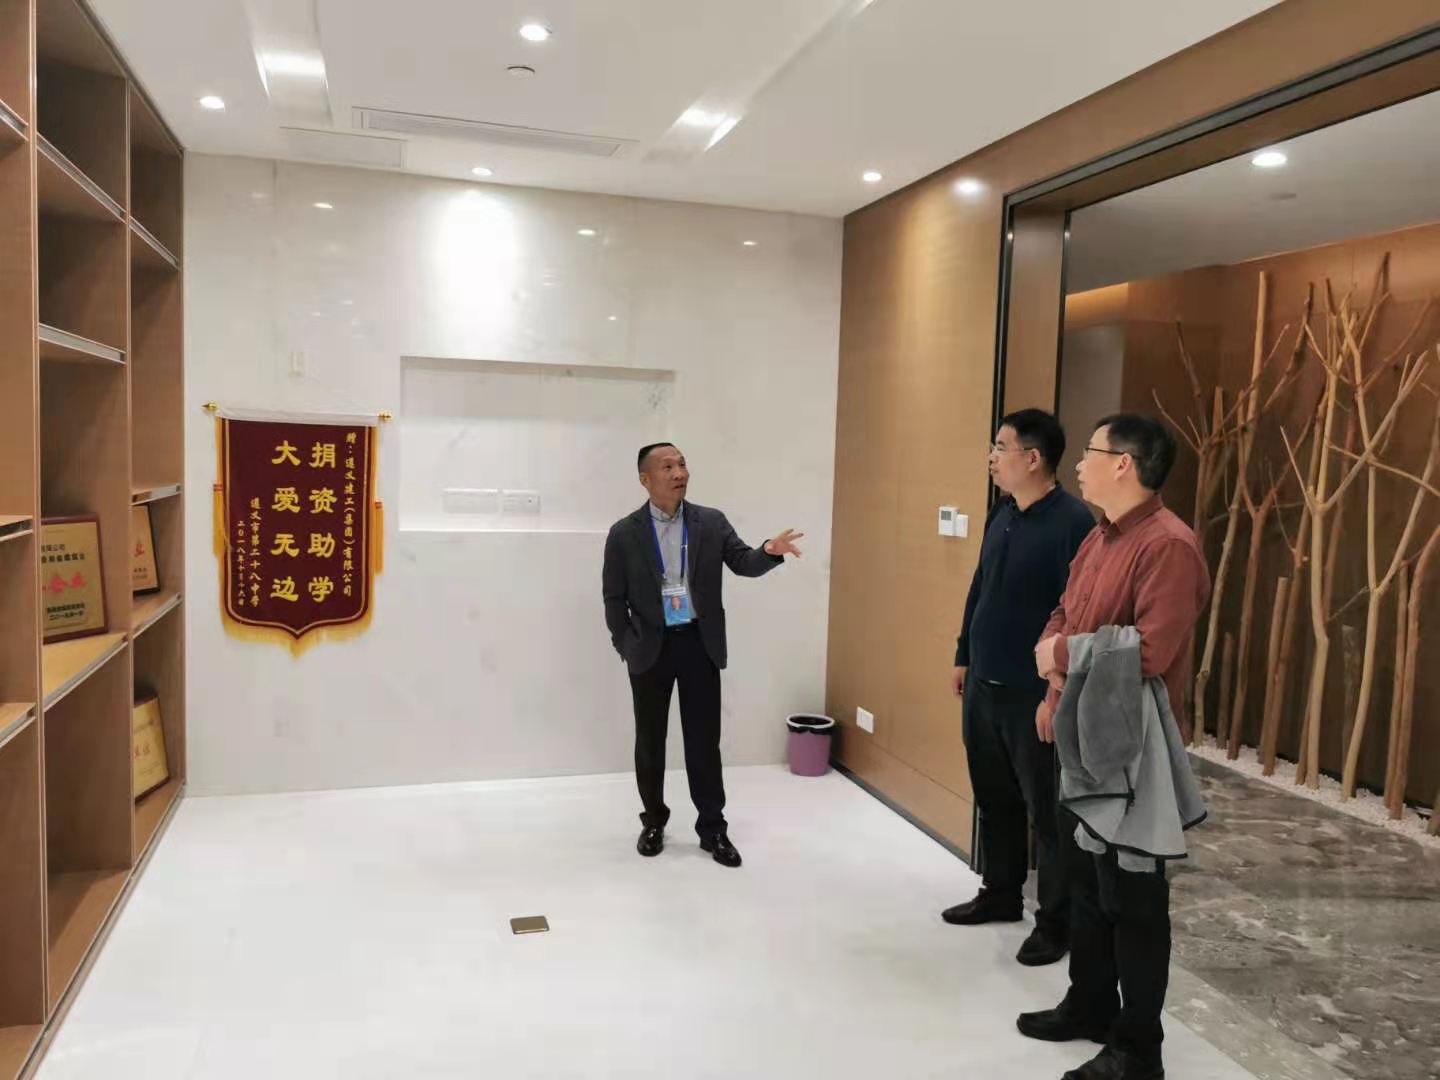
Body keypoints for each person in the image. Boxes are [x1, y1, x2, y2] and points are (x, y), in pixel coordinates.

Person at [1019, 414, 1211, 1080]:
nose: (1078, 465)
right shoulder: (1100, 536)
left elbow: (1150, 652)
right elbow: (1064, 613)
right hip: (1081, 733)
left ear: (1123, 463)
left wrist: (1061, 654)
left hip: (1133, 750)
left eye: (1090, 452)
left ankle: (1138, 1048)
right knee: (1086, 883)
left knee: (1134, 901)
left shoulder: (1169, 546)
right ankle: (1090, 1004)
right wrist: (1053, 685)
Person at [602, 443, 803, 868]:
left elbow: (743, 562)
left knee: (703, 743)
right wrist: (627, 645)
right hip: (650, 649)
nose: (680, 473)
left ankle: (713, 828)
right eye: (668, 466)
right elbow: (613, 597)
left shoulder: (710, 522)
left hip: (699, 644)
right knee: (650, 742)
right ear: (645, 479)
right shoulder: (623, 533)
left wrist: (769, 550)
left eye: (682, 464)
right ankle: (653, 821)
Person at [944, 409, 1095, 968]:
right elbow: (980, 586)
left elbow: (1077, 613)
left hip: (1033, 694)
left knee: (1047, 813)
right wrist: (964, 652)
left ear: (1032, 459)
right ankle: (1001, 893)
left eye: (1000, 447)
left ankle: (1056, 923)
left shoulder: (1074, 523)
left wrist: (1056, 692)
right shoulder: (1002, 511)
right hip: (984, 682)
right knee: (994, 797)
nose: (992, 456)